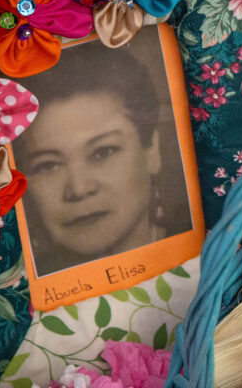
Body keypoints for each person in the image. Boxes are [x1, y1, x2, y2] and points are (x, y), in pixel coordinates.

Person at [13, 37, 189, 275]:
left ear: (151, 151)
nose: (79, 189)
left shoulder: (204, 253)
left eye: (103, 152)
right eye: (47, 165)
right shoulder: (22, 287)